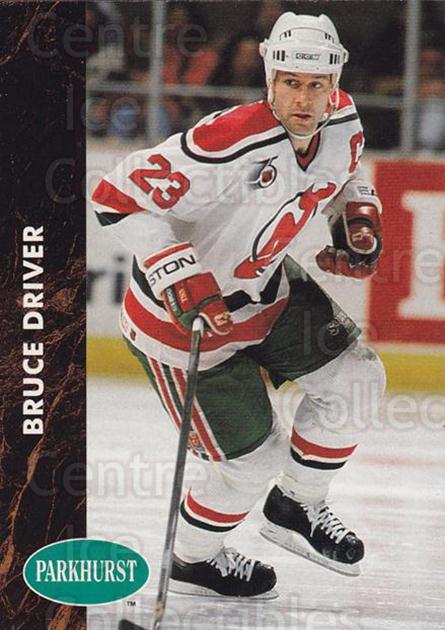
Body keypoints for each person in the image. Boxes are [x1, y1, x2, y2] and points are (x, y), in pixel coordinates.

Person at [92, 12, 385, 599]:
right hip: (182, 325)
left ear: (334, 83)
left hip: (267, 291)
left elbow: (343, 177)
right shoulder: (228, 140)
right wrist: (181, 273)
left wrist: (356, 218)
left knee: (358, 380)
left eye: (316, 85)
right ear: (269, 78)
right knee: (251, 461)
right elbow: (114, 197)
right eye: (291, 83)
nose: (303, 99)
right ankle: (193, 559)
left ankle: (296, 505)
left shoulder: (343, 121)